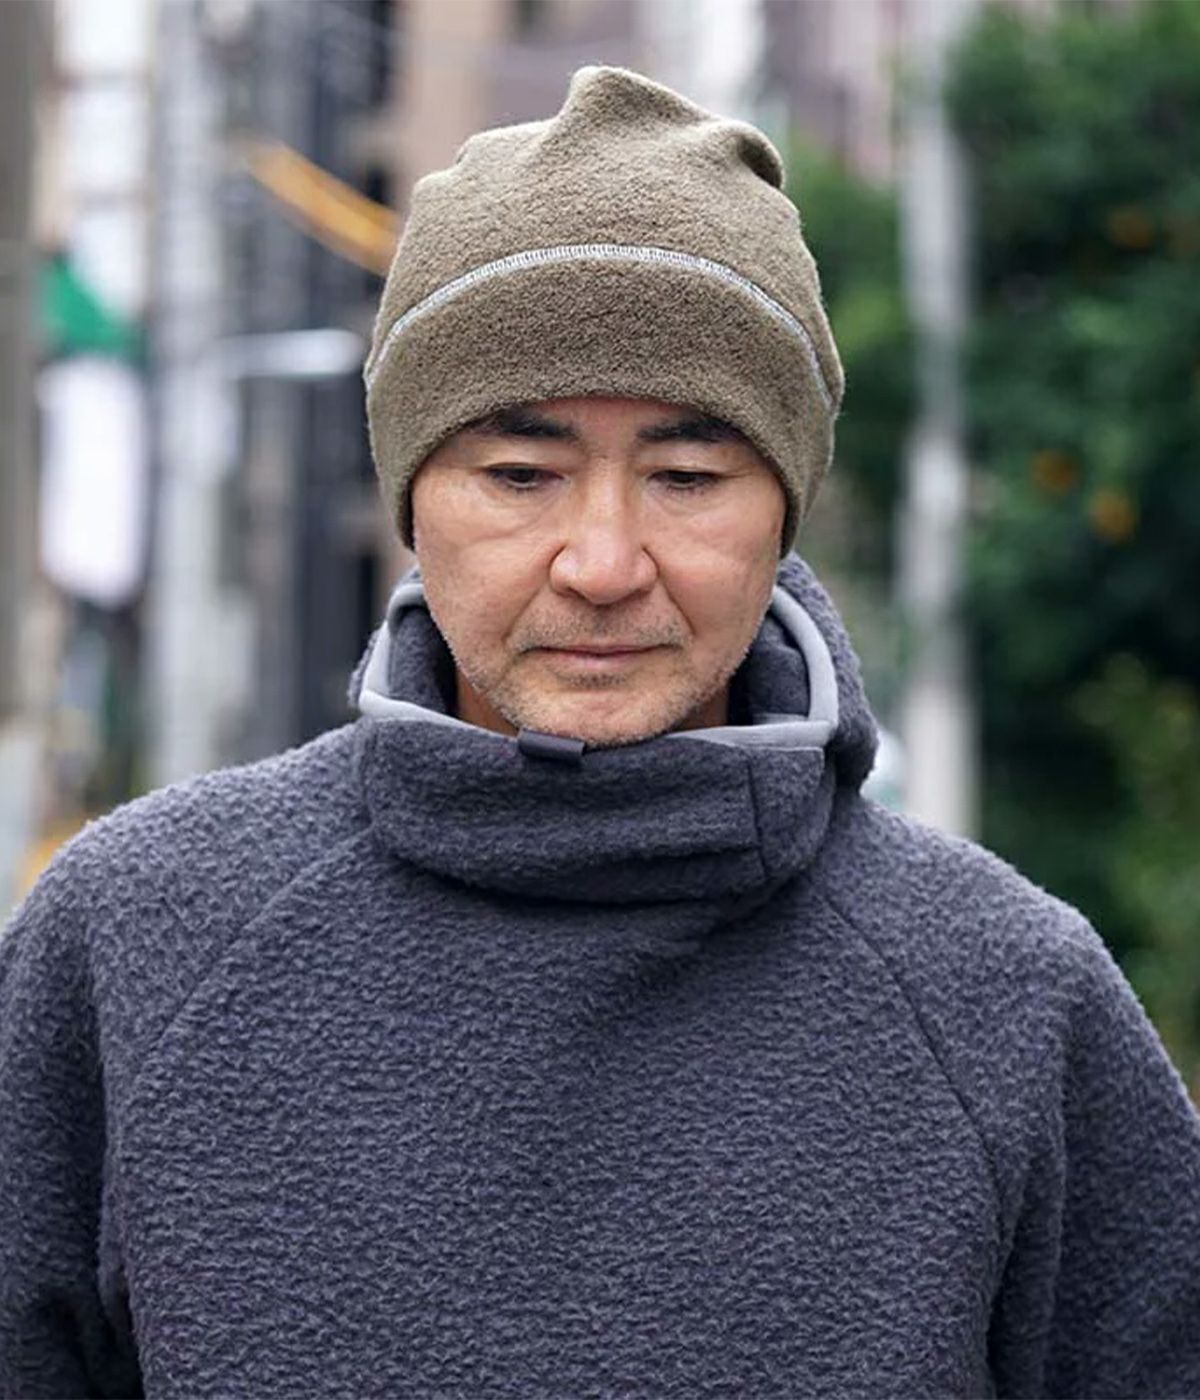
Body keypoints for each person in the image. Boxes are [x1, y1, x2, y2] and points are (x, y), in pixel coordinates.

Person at [2, 64, 1198, 1400]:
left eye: (688, 475)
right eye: (521, 473)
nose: (605, 562)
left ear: (786, 510)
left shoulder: (1007, 998)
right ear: (412, 497)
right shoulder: (135, 940)